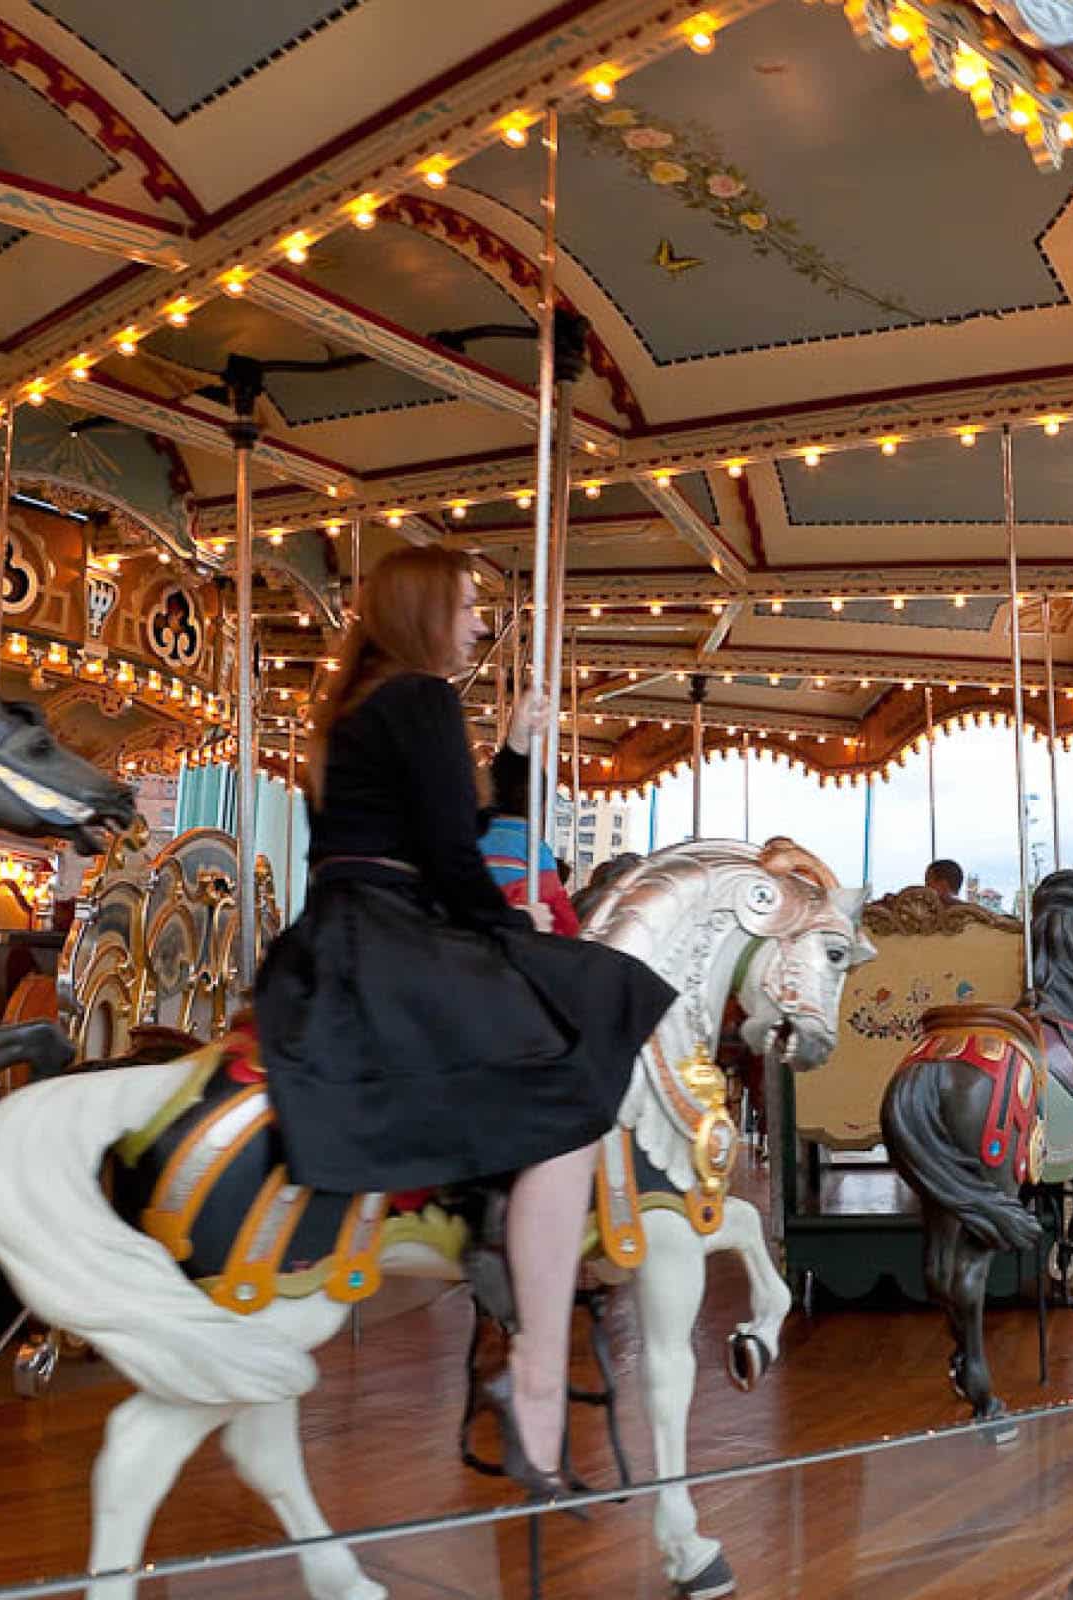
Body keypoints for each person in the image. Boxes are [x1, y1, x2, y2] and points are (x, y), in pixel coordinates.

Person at [254, 545, 674, 1498]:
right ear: (423, 611)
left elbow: (452, 829)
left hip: (346, 940)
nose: (481, 626)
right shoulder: (420, 699)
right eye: (470, 607)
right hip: (394, 941)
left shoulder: (363, 704)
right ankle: (532, 1376)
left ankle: (490, 1228)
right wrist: (506, 918)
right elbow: (452, 854)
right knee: (583, 1065)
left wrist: (517, 754)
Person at [479, 712, 580, 936]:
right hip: (513, 936)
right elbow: (558, 907)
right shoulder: (534, 847)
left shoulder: (472, 836)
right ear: (540, 806)